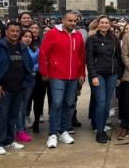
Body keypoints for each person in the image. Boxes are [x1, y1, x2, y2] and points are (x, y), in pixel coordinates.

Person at [38, 12, 86, 148]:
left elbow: (81, 56)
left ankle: (64, 131)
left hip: (73, 76)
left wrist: (82, 72)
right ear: (63, 20)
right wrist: (44, 71)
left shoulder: (78, 36)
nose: (73, 23)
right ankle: (53, 133)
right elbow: (43, 53)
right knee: (57, 103)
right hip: (57, 75)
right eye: (70, 20)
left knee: (70, 103)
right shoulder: (53, 33)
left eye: (75, 21)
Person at [0, 22, 33, 155]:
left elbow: (28, 64)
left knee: (13, 116)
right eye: (12, 31)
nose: (14, 33)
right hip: (3, 88)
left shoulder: (22, 46)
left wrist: (27, 80)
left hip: (18, 88)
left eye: (17, 31)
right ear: (6, 31)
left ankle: (8, 140)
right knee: (1, 116)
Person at [86, 15, 122, 143]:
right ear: (98, 24)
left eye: (107, 23)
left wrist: (119, 75)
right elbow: (89, 59)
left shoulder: (114, 39)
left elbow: (118, 57)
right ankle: (99, 132)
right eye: (102, 23)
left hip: (112, 74)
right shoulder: (92, 39)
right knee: (101, 102)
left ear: (109, 25)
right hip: (98, 74)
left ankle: (102, 129)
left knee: (107, 103)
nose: (104, 25)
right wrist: (93, 75)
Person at [15, 30, 37, 143]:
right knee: (19, 107)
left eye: (30, 37)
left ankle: (22, 128)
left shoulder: (34, 49)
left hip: (30, 80)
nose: (28, 39)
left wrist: (34, 69)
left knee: (23, 107)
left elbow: (39, 61)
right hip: (19, 81)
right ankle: (19, 130)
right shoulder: (16, 49)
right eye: (25, 36)